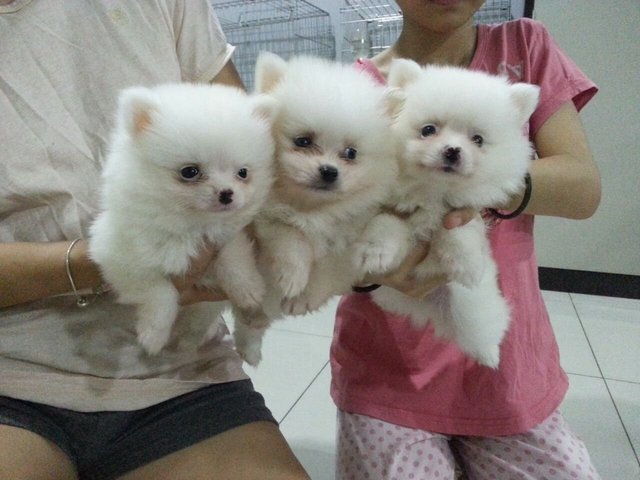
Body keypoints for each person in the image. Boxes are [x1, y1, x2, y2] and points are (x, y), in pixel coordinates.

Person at [0, 1, 309, 479]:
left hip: (184, 373)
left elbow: (256, 169)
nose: (225, 188)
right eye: (190, 173)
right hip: (12, 370)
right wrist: (107, 264)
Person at [330, 1, 602, 479]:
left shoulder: (524, 46)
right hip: (388, 374)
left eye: (474, 138)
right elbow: (329, 228)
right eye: (431, 130)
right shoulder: (354, 90)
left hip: (507, 372)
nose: (452, 146)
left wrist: (476, 188)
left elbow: (583, 190)